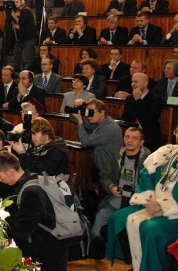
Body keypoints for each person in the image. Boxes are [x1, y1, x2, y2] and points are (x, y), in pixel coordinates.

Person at [105, 129, 178, 271]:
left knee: (149, 229)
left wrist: (162, 206)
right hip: (153, 202)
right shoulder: (166, 152)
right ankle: (134, 261)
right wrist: (149, 199)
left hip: (174, 211)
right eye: (177, 132)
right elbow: (146, 174)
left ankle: (152, 266)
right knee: (117, 218)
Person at [0, 152, 69, 271]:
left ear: (11, 172)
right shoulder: (35, 178)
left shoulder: (31, 192)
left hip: (47, 253)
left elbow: (22, 230)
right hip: (57, 245)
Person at [90, 127, 150, 258]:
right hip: (115, 201)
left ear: (141, 142)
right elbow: (104, 177)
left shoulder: (149, 161)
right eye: (127, 137)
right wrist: (111, 187)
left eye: (134, 138)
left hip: (136, 205)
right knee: (95, 232)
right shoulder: (115, 156)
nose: (129, 140)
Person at [69, 98, 123, 170]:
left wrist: (80, 120)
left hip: (111, 171)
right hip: (103, 167)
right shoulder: (101, 121)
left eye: (91, 112)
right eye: (87, 112)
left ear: (102, 112)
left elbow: (85, 142)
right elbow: (73, 118)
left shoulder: (109, 127)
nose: (89, 116)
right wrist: (77, 107)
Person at [121, 73, 163, 151]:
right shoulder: (130, 98)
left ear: (145, 83)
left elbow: (149, 119)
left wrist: (138, 100)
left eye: (136, 82)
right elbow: (125, 117)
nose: (133, 84)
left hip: (149, 137)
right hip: (132, 134)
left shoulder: (155, 99)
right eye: (132, 82)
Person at [12, 0, 36, 71]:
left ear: (22, 2)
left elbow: (21, 22)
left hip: (29, 38)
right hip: (23, 38)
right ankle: (17, 69)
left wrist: (14, 16)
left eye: (17, 1)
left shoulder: (26, 11)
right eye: (15, 2)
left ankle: (28, 71)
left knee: (28, 56)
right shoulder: (23, 12)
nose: (15, 3)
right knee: (17, 52)